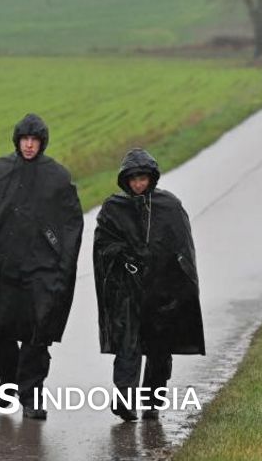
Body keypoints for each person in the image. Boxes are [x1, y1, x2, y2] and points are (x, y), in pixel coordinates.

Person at [0, 113, 84, 420]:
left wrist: (62, 262)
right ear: (17, 141)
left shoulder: (57, 177)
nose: (29, 145)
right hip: (2, 272)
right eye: (25, 139)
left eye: (34, 140)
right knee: (0, 333)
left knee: (37, 335)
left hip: (42, 272)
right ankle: (9, 382)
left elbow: (71, 223)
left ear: (42, 142)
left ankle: (32, 395)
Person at [93, 148, 205, 422]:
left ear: (151, 178)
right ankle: (125, 399)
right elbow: (103, 245)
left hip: (162, 289)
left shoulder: (170, 206)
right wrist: (124, 256)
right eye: (133, 179)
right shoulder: (113, 208)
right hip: (127, 290)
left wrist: (182, 287)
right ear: (125, 180)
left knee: (159, 347)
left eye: (142, 178)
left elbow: (182, 249)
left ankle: (152, 401)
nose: (138, 184)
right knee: (127, 344)